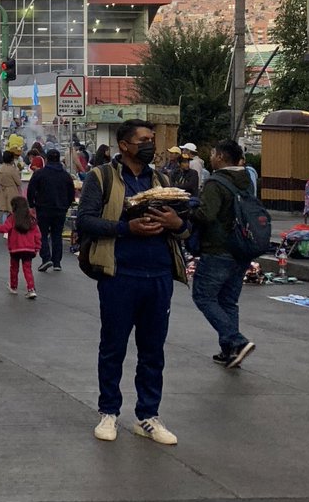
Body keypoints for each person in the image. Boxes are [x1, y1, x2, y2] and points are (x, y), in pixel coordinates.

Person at [77, 118, 190, 446]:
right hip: (119, 275)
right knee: (113, 347)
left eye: (151, 139)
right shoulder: (101, 177)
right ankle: (108, 412)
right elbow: (84, 220)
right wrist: (128, 229)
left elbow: (186, 231)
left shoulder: (162, 179)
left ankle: (148, 416)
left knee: (153, 351)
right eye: (143, 140)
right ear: (124, 145)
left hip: (158, 276)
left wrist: (176, 221)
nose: (149, 145)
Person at [191, 139, 257, 369]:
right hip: (242, 248)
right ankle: (230, 352)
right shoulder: (246, 181)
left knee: (203, 297)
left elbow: (206, 215)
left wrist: (190, 208)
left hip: (218, 249)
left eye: (212, 153)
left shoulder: (215, 182)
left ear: (220, 157)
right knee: (228, 301)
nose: (210, 157)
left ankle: (236, 341)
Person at [28, 148, 76, 272]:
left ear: (47, 159)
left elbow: (31, 189)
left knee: (43, 234)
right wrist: (67, 204)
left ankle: (46, 258)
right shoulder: (65, 176)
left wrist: (32, 203)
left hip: (43, 208)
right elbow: (71, 192)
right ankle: (57, 262)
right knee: (57, 235)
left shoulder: (40, 174)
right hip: (60, 209)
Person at [0, 196, 43, 297]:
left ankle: (14, 286)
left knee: (14, 268)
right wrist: (37, 247)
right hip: (29, 249)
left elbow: (4, 229)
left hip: (15, 248)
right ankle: (31, 289)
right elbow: (37, 235)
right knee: (27, 269)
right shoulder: (31, 219)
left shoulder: (12, 218)